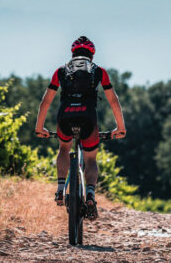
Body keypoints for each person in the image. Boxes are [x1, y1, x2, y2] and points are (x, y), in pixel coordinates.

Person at [35, 36, 126, 220]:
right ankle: (90, 194)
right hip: (88, 119)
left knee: (63, 147)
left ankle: (61, 188)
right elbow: (113, 100)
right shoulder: (99, 71)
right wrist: (120, 127)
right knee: (91, 159)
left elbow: (46, 101)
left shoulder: (60, 71)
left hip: (65, 117)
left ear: (72, 53)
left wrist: (39, 128)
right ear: (91, 55)